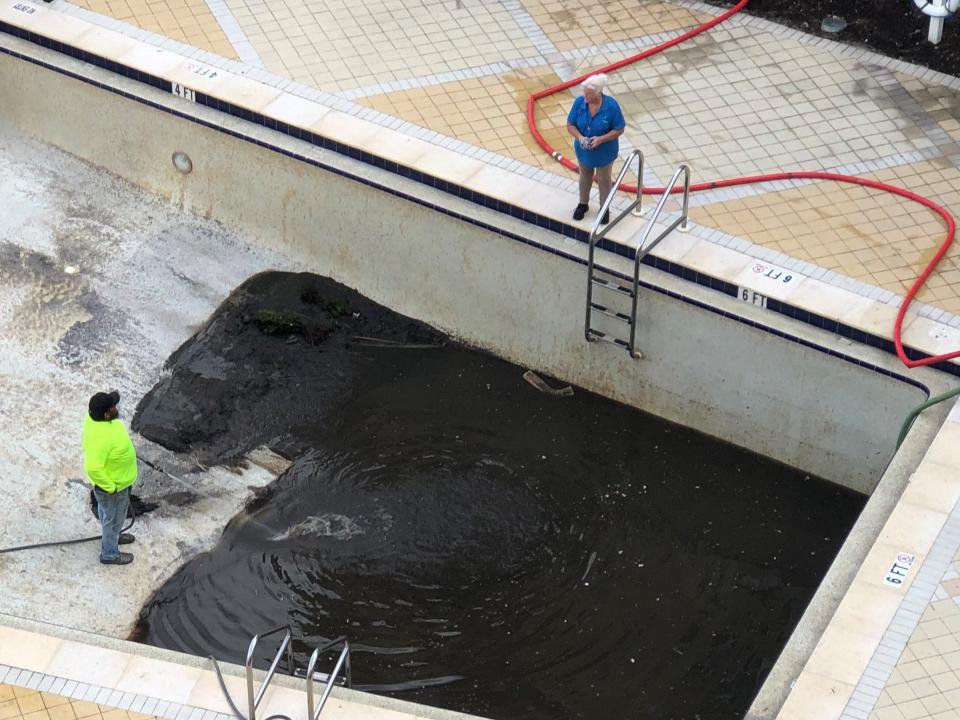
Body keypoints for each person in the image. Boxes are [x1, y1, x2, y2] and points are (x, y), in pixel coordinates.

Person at [83, 390, 138, 565]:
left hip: (119, 481)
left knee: (112, 517)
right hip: (114, 488)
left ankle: (114, 536)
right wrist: (111, 487)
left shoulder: (95, 419)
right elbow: (92, 468)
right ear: (106, 414)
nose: (116, 407)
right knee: (112, 519)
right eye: (113, 407)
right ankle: (109, 554)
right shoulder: (101, 438)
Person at [566, 73, 626, 224]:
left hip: (604, 152)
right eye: (584, 93)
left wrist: (601, 139)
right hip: (584, 151)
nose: (585, 97)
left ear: (598, 92)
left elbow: (619, 129)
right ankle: (583, 204)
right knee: (584, 176)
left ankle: (604, 208)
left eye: (588, 94)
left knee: (604, 179)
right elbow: (570, 124)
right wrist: (580, 138)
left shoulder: (611, 106)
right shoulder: (580, 103)